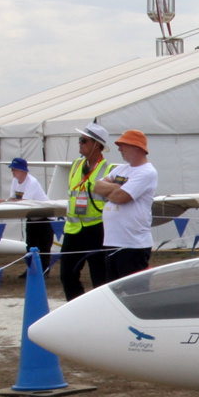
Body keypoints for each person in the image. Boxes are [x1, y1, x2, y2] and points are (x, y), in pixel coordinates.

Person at [60, 124, 114, 301]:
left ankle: (101, 310)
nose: (80, 144)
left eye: (84, 141)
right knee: (67, 275)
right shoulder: (76, 165)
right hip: (73, 229)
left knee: (100, 278)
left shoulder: (109, 170)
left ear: (97, 145)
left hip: (97, 229)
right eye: (79, 140)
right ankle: (76, 307)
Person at [95, 130, 158, 283]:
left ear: (136, 147)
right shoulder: (121, 169)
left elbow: (121, 197)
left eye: (123, 145)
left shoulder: (147, 172)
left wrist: (112, 190)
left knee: (134, 292)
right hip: (112, 242)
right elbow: (97, 187)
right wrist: (117, 188)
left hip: (132, 244)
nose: (119, 149)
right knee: (114, 291)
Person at [0, 157, 53, 278]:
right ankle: (31, 269)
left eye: (14, 169)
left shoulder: (31, 182)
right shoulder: (15, 181)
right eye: (12, 169)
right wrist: (5, 202)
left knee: (44, 246)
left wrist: (6, 201)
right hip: (32, 216)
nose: (12, 172)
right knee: (30, 245)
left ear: (22, 170)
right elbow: (13, 198)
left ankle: (44, 271)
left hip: (44, 216)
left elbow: (25, 201)